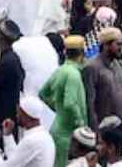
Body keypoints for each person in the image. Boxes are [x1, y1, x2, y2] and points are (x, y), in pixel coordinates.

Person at [39, 36, 87, 167]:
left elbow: (43, 93)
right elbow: (70, 103)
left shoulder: (60, 70)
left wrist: (58, 109)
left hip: (57, 128)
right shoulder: (73, 74)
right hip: (68, 135)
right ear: (82, 54)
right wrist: (81, 124)